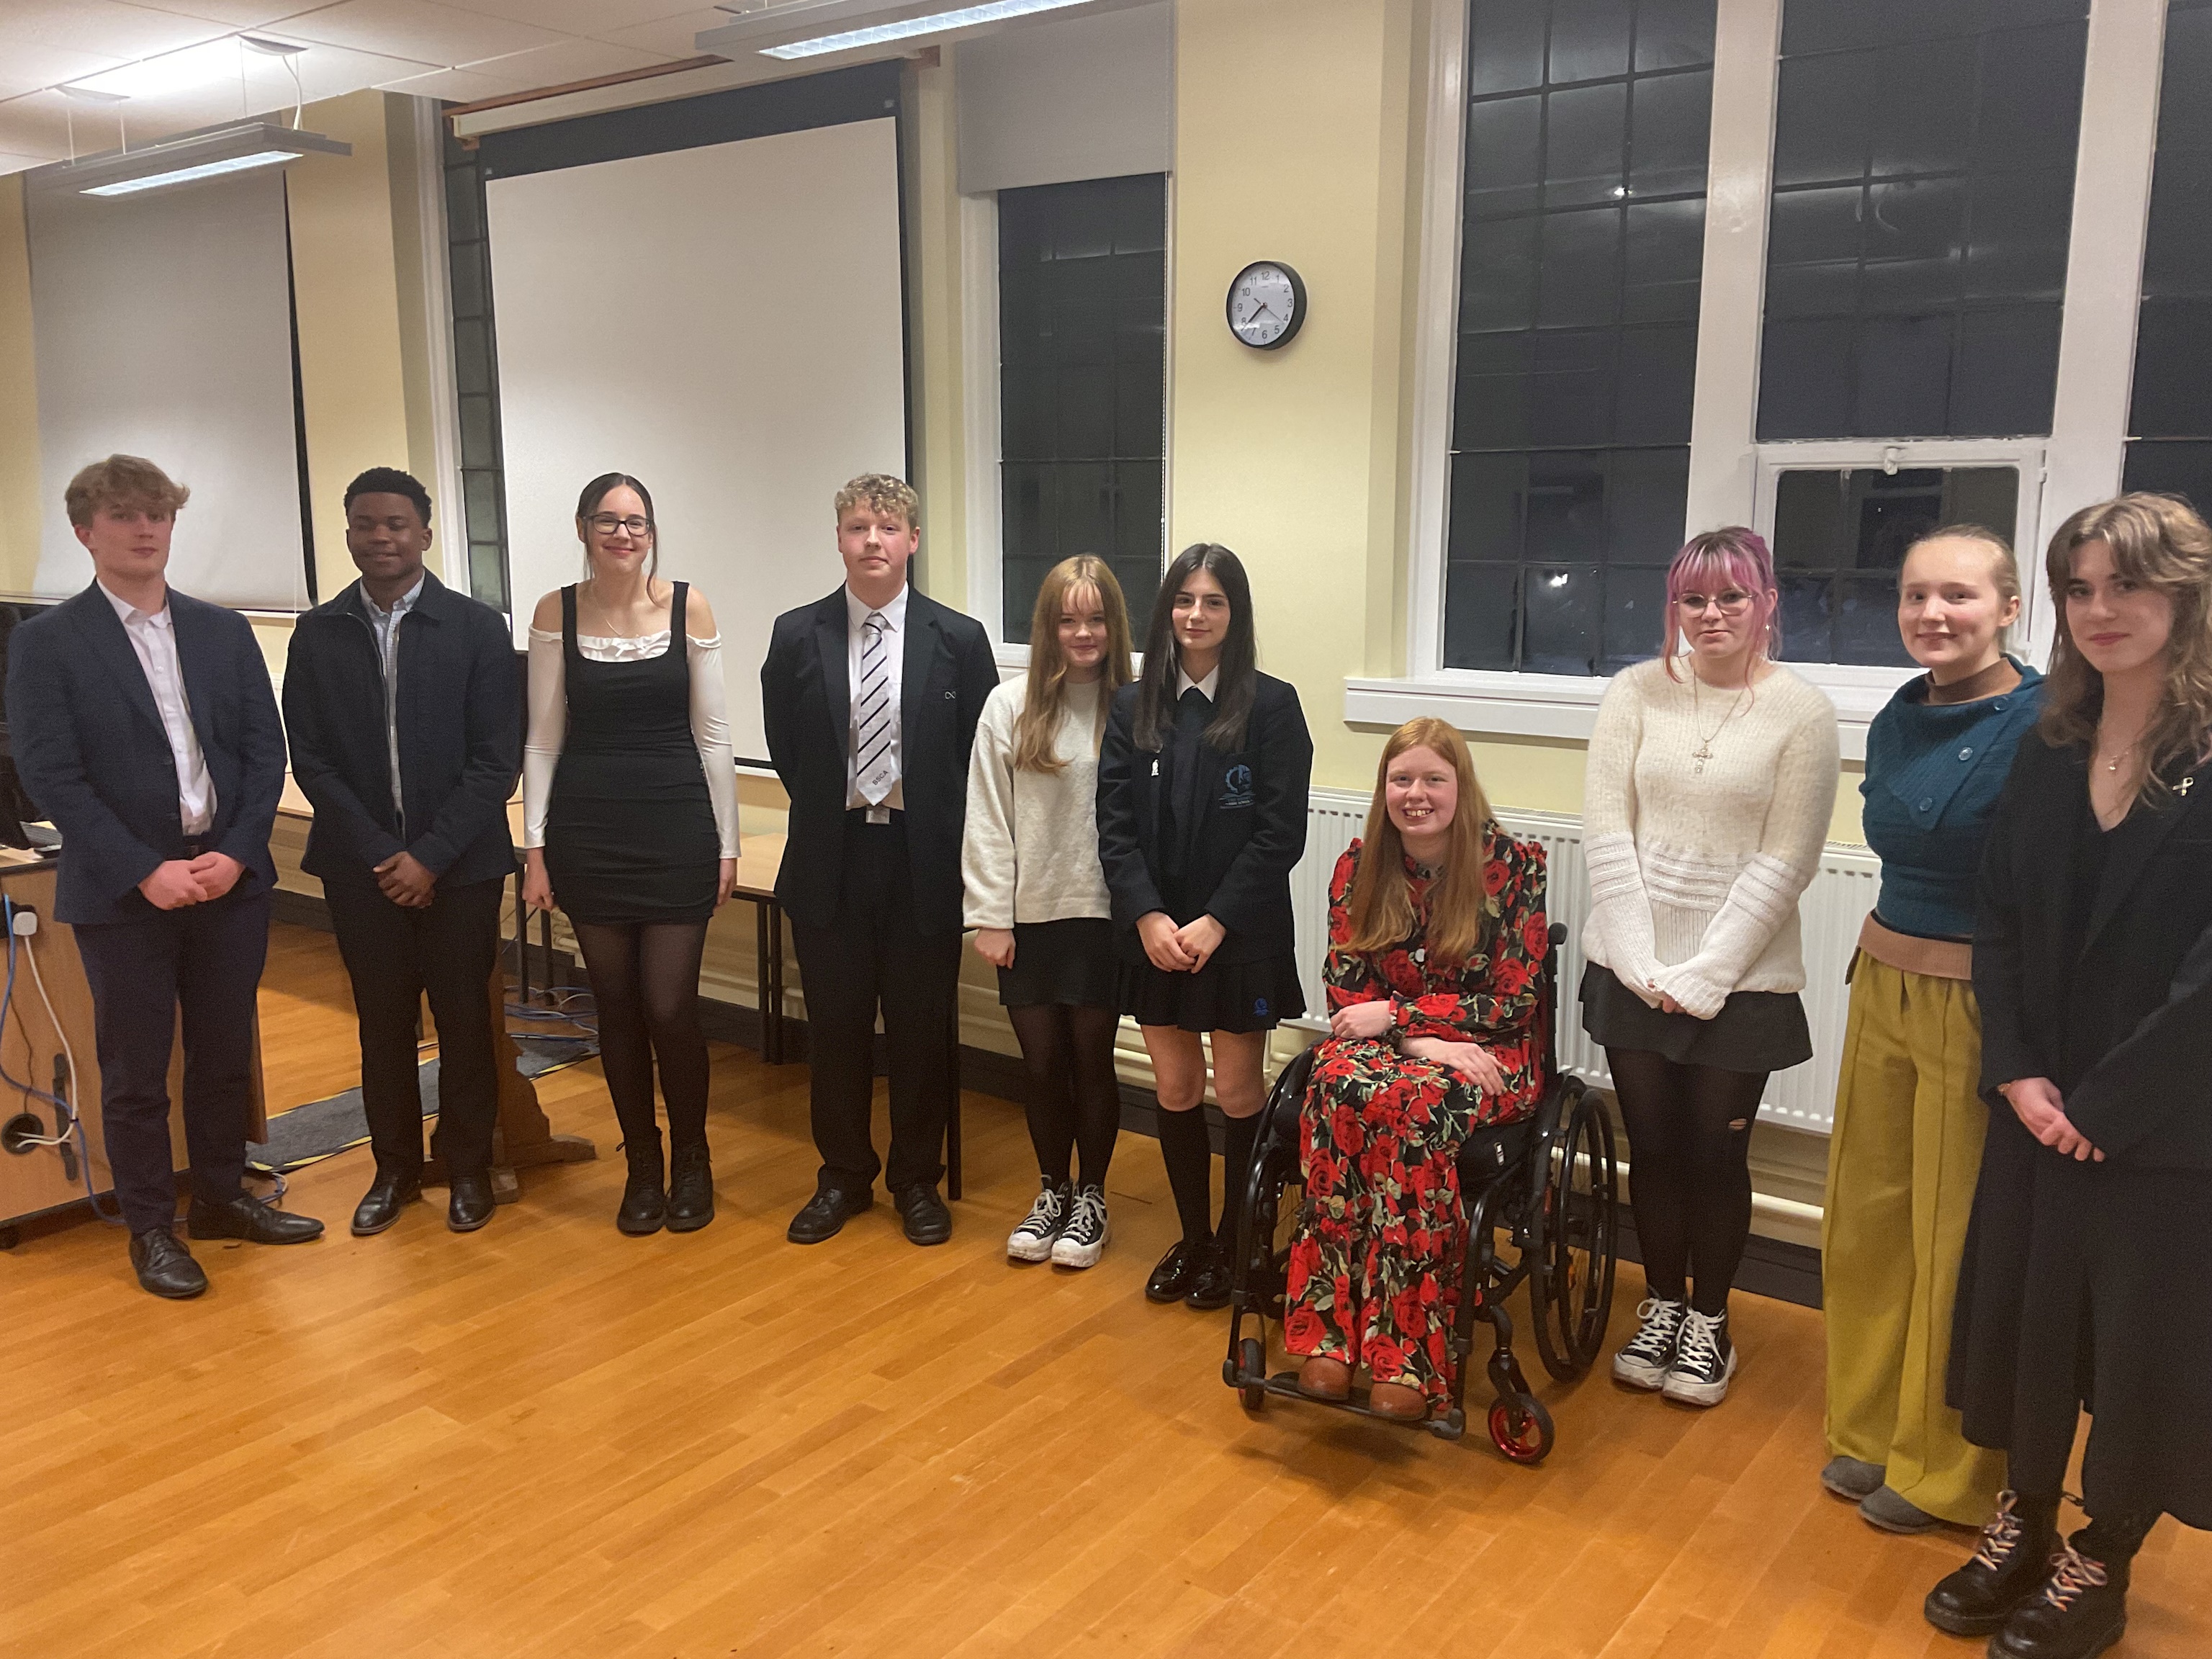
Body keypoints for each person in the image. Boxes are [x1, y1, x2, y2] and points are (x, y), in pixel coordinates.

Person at [1925, 493, 2212, 1659]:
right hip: (2035, 1106)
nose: (2099, 610)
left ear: (2184, 596)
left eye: (2126, 586)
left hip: (2164, 1124)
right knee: (2027, 1328)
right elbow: (1996, 919)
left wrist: (2104, 1104)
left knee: (2139, 1351)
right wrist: (2018, 1074)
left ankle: (2104, 1552)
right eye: (2079, 588)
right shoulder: (2048, 748)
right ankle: (2026, 1514)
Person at [6, 455, 323, 1298]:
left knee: (223, 1058)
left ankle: (222, 1197)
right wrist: (144, 869)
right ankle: (151, 1227)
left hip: (229, 881)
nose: (147, 530)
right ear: (87, 533)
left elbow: (264, 752)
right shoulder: (48, 645)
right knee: (138, 1070)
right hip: (125, 894)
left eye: (159, 515)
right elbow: (51, 775)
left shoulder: (221, 631)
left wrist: (242, 848)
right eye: (125, 517)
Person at [1580, 526, 1838, 1407]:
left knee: (1712, 1156)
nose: (1712, 613)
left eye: (1732, 596)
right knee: (1650, 1148)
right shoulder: (1635, 694)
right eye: (1694, 598)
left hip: (1744, 984)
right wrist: (1642, 958)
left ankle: (1710, 1321)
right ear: (1674, 608)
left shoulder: (1801, 710)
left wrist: (1707, 972)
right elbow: (1608, 832)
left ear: (1767, 604)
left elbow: (1788, 858)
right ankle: (1659, 1305)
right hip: (1634, 969)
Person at [1819, 526, 2043, 1534]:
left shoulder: (2048, 723)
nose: (1933, 615)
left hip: (1977, 998)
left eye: (1958, 595)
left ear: (2008, 609)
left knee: (1953, 1237)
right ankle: (1869, 1430)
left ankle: (1948, 1467)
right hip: (1886, 978)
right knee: (1866, 1225)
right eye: (1916, 597)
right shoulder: (1904, 714)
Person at [1282, 719, 1549, 1421]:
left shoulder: (1513, 867)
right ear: (1384, 789)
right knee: (1333, 1080)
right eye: (1402, 780)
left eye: (1433, 779)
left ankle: (1407, 1349)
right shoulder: (1360, 864)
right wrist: (1416, 1038)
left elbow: (1514, 1001)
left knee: (1415, 1105)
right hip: (1395, 1050)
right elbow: (1345, 993)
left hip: (1489, 1054)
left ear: (1461, 786)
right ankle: (1329, 1336)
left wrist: (1401, 1022)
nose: (1416, 794)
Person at [284, 468, 521, 1238]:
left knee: (464, 1023)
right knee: (382, 1026)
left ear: (425, 532)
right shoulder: (318, 633)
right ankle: (394, 1169)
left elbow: (497, 757)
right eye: (364, 524)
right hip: (361, 870)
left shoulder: (477, 628)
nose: (380, 537)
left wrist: (430, 856)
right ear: (348, 533)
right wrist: (386, 853)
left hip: (462, 868)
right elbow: (311, 757)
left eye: (395, 524)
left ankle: (467, 1166)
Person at [761, 474, 998, 1246]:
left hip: (921, 860)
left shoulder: (958, 640)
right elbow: (791, 750)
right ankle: (843, 1176)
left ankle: (916, 1180)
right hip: (832, 858)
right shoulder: (798, 634)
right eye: (859, 527)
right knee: (835, 1029)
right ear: (838, 538)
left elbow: (975, 762)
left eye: (888, 529)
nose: (873, 541)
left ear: (913, 542)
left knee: (922, 1029)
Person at [1096, 544, 1312, 1310]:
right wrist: (1151, 917)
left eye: (1213, 601)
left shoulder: (1273, 705)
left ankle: (1239, 1241)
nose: (1196, 615)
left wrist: (1215, 923)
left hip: (1238, 934)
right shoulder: (1132, 706)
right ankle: (1194, 1240)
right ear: (1167, 613)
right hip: (1155, 933)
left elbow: (1279, 833)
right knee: (1178, 1087)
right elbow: (1114, 829)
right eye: (1185, 600)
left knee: (1239, 1087)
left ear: (1235, 614)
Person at [521, 474, 737, 1236]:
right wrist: (536, 847)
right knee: (614, 1007)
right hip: (589, 830)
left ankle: (692, 1159)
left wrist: (728, 844)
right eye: (608, 521)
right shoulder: (556, 611)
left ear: (652, 531)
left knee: (670, 1006)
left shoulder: (688, 605)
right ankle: (642, 1166)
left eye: (637, 521)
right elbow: (543, 736)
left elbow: (713, 734)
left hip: (677, 825)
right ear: (583, 528)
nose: (624, 533)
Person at [963, 555, 1136, 1269]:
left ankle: (1091, 1199)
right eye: (1068, 619)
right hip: (1027, 915)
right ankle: (1051, 1192)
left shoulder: (1134, 706)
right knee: (1040, 1064)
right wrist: (989, 914)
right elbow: (988, 816)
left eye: (1095, 619)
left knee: (1091, 1060)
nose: (1083, 632)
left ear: (1113, 625)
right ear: (1049, 627)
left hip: (1102, 914)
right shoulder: (1010, 706)